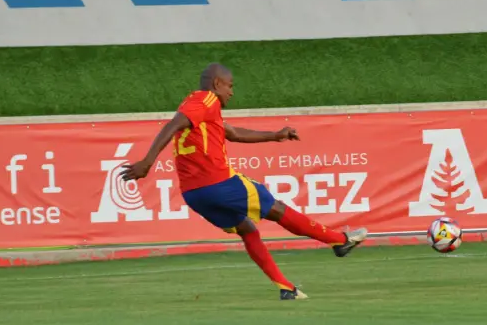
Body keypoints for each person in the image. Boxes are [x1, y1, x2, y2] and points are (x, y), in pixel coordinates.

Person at [121, 63, 367, 300]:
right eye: (229, 85)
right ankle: (340, 241)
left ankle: (286, 288)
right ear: (217, 84)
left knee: (247, 229)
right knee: (277, 209)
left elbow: (234, 133)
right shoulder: (205, 100)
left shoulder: (201, 109)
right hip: (219, 183)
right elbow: (174, 123)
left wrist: (275, 135)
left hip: (194, 194)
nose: (232, 92)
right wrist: (147, 162)